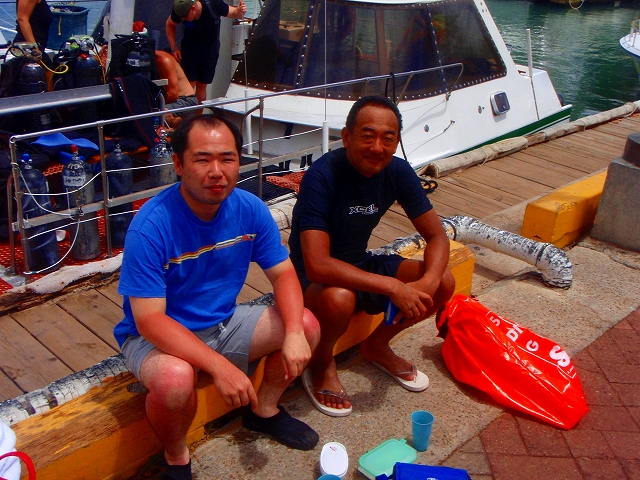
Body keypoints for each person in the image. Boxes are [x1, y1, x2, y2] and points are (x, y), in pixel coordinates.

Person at [114, 115, 321, 480]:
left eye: (227, 159)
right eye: (202, 159)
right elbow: (149, 320)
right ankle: (176, 456)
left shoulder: (250, 209)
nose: (216, 171)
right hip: (158, 337)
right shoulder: (151, 226)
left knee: (305, 325)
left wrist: (292, 333)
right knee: (176, 379)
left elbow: (284, 274)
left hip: (222, 322)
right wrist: (219, 367)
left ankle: (264, 411)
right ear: (179, 164)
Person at [289, 95, 455, 417]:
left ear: (396, 142)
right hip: (309, 279)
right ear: (347, 136)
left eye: (387, 139)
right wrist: (392, 287)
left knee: (444, 281)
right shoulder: (322, 175)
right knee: (339, 298)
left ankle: (377, 345)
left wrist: (427, 283)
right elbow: (317, 264)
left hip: (359, 263)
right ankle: (321, 363)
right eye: (367, 136)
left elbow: (437, 236)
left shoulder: (397, 172)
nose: (377, 147)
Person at [166, 0, 246, 106]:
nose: (182, 19)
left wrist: (239, 11)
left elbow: (234, 13)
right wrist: (174, 48)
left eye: (184, 17)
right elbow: (170, 24)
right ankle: (185, 113)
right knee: (189, 84)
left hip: (209, 50)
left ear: (193, 8)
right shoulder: (180, 10)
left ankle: (199, 114)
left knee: (202, 85)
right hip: (189, 49)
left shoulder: (213, 4)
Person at [155, 50, 197, 128]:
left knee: (160, 114)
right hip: (165, 100)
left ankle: (188, 125)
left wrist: (151, 106)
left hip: (185, 99)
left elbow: (173, 94)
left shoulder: (164, 59)